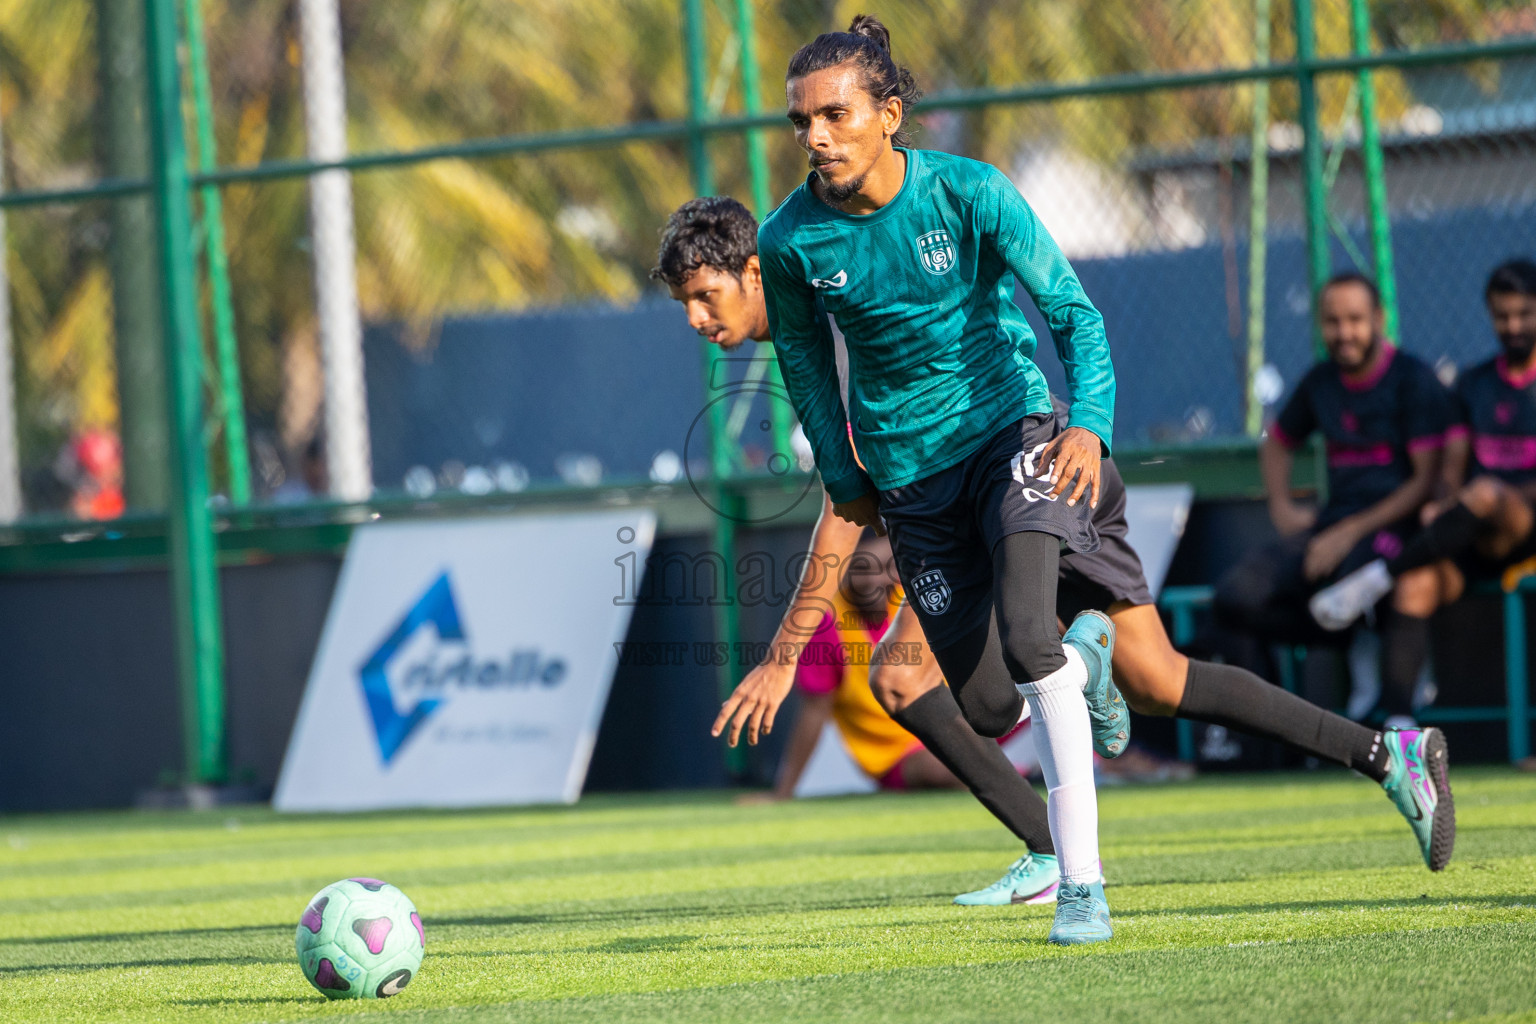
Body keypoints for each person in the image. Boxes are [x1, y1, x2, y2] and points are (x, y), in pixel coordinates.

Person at [653, 199, 1458, 914]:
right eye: (683, 303)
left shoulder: (840, 325)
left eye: (703, 296)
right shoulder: (810, 329)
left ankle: (1056, 835)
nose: (693, 319)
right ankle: (1389, 755)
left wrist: (786, 656)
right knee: (1161, 680)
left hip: (1022, 476)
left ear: (756, 271)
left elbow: (841, 510)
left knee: (926, 676)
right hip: (1013, 490)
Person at [1215, 274, 1459, 731]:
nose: (1344, 332)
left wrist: (1349, 532)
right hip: (1331, 527)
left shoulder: (1413, 379)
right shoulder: (1320, 382)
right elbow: (1277, 443)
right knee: (1234, 597)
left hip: (1395, 529)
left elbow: (1424, 483)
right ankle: (1352, 641)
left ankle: (1391, 665)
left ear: (1379, 320)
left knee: (1360, 579)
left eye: (1355, 320)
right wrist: (1282, 508)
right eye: (1332, 321)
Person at [1311, 259, 1536, 649]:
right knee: (1416, 584)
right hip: (1474, 536)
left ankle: (1380, 575)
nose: (1513, 326)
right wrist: (1445, 500)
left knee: (1485, 493)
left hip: (1525, 527)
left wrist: (1483, 500)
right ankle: (1398, 710)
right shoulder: (1473, 383)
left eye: (1524, 315)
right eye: (1503, 316)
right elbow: (1452, 463)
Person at [742, 530, 974, 803]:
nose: (876, 580)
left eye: (888, 567)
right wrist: (784, 793)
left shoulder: (912, 598)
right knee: (947, 766)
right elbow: (814, 711)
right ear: (842, 569)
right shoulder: (826, 622)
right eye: (862, 569)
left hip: (960, 727)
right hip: (897, 755)